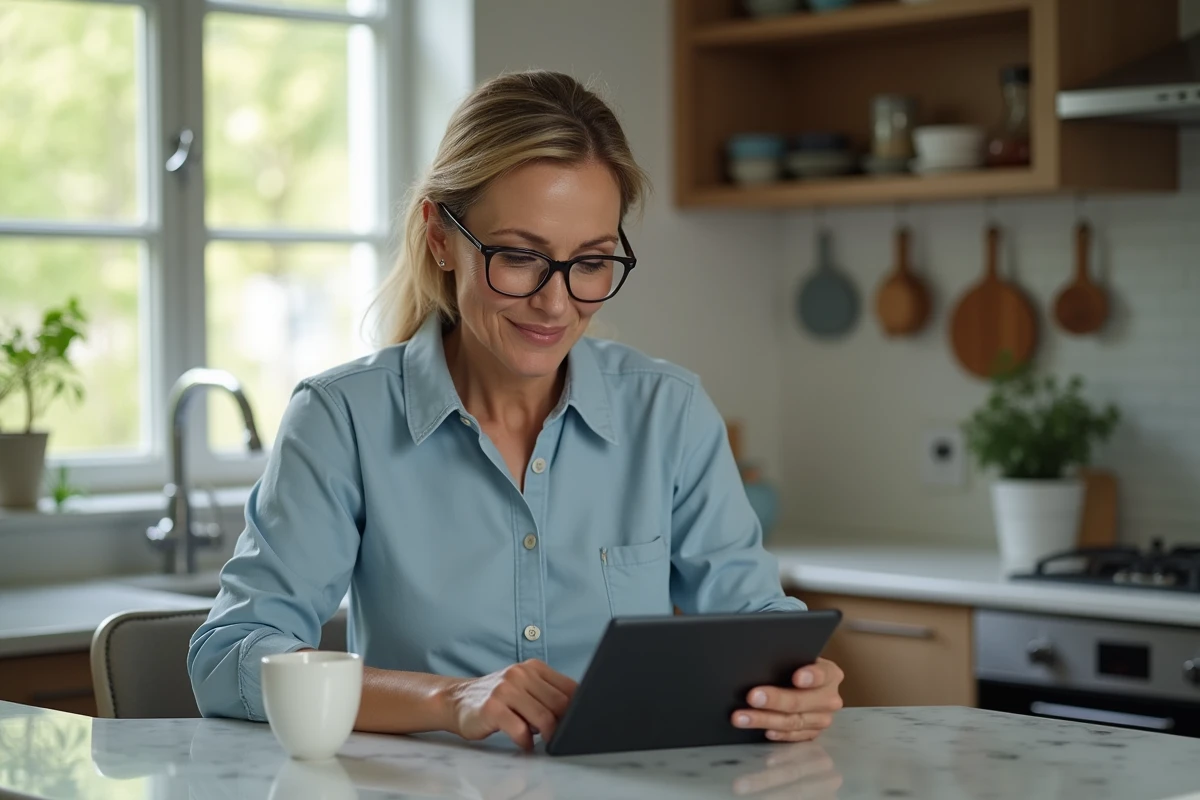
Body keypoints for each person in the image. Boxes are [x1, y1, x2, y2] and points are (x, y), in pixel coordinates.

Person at [188, 69, 844, 751]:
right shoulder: (340, 419)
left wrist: (799, 683)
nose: (556, 304)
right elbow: (226, 657)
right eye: (520, 257)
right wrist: (446, 699)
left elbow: (756, 628)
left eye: (590, 263)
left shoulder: (668, 412)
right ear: (441, 238)